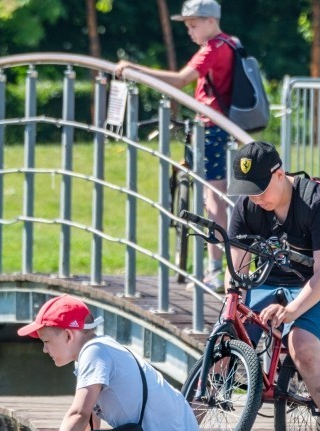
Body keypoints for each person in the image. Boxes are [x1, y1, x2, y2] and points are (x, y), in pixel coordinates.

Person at [226, 141, 320, 431]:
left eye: (260, 189)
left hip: (319, 286)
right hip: (268, 281)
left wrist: (291, 312)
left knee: (302, 345)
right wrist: (232, 316)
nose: (255, 197)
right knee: (228, 337)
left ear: (279, 174)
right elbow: (238, 274)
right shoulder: (246, 206)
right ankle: (185, 429)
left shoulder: (318, 203)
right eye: (248, 190)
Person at [115, 0, 233, 292]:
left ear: (209, 21)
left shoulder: (213, 49)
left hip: (212, 130)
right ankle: (222, 268)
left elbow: (180, 81)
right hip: (222, 127)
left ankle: (217, 271)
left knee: (214, 198)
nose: (190, 32)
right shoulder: (232, 44)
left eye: (193, 25)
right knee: (218, 195)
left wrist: (134, 70)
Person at [18, 294, 200, 431]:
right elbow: (91, 414)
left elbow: (79, 414)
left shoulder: (93, 353)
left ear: (68, 334)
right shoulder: (104, 346)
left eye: (46, 342)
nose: (44, 350)